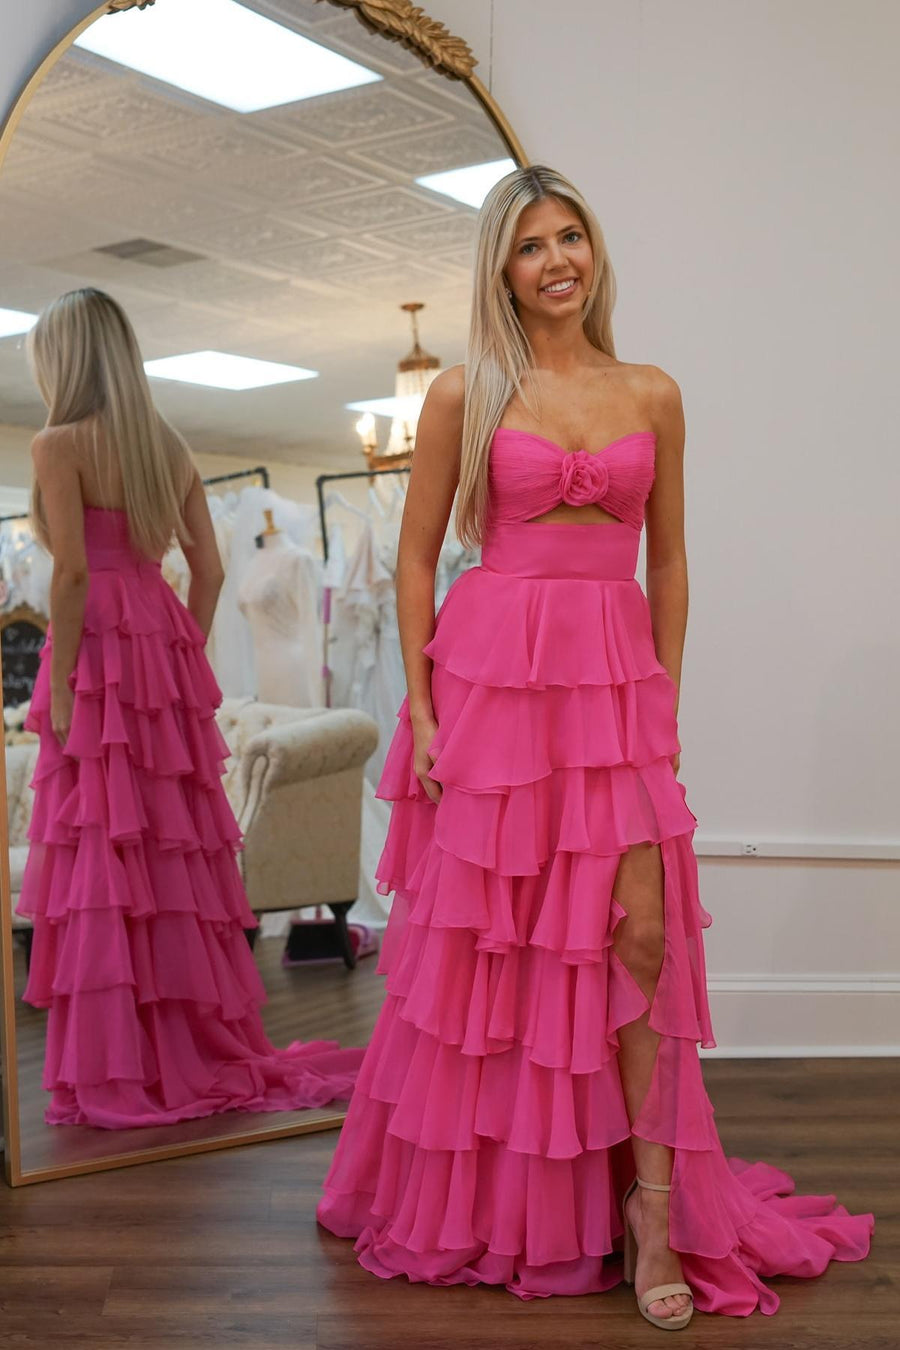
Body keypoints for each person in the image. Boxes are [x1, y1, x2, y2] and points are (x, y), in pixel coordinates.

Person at [316, 166, 874, 1326]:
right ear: (501, 271)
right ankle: (506, 1201)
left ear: (594, 252)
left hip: (613, 688)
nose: (558, 259)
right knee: (500, 950)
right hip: (494, 687)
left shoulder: (654, 392)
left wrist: (663, 700)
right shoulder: (465, 395)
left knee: (640, 940)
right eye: (531, 246)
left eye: (572, 237)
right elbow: (418, 558)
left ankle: (653, 1209)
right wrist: (422, 711)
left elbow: (668, 560)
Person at [16, 286, 364, 1129]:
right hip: (154, 636)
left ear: (60, 359)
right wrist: (179, 646)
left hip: (94, 640)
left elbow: (67, 574)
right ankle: (186, 1041)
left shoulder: (57, 442)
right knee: (169, 848)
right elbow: (207, 571)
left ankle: (123, 1057)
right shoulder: (165, 445)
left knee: (106, 845)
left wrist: (63, 686)